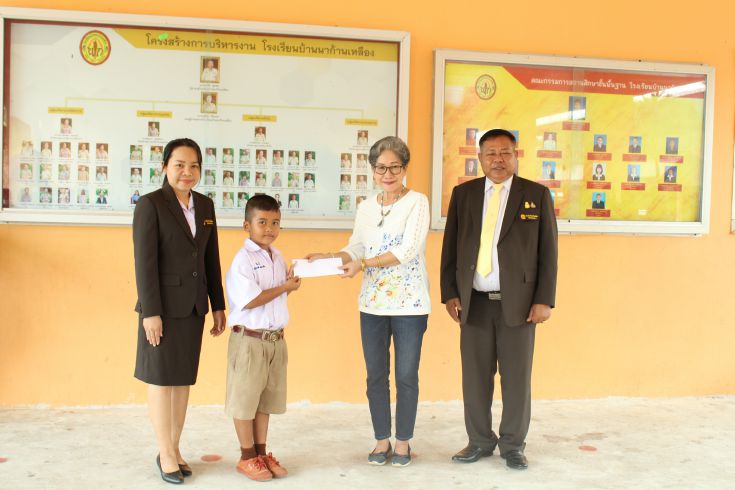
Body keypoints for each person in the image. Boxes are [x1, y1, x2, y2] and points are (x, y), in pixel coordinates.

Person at [306, 136, 431, 467]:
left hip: (410, 305)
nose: (388, 174)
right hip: (372, 305)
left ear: (405, 168)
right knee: (376, 376)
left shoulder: (417, 202)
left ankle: (403, 442)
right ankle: (381, 440)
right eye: (381, 168)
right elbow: (357, 246)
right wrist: (330, 257)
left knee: (406, 375)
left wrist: (363, 264)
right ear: (372, 170)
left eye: (395, 167)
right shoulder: (365, 207)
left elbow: (408, 250)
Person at [440, 128, 557, 471]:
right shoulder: (464, 195)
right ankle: (479, 440)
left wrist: (544, 299)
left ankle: (513, 445)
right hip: (473, 303)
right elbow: (450, 248)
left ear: (515, 156)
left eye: (505, 153)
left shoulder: (535, 195)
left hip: (520, 305)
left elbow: (548, 253)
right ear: (480, 158)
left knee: (516, 379)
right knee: (475, 378)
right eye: (491, 153)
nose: (498, 160)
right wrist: (450, 292)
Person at [132, 138, 226, 484]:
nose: (187, 172)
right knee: (161, 380)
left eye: (194, 166)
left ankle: (173, 447)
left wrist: (218, 304)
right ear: (164, 167)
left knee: (182, 380)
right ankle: (166, 452)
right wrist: (150, 312)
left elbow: (210, 258)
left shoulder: (205, 205)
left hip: (194, 307)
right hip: (162, 309)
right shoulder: (150, 204)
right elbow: (144, 263)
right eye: (180, 165)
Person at [224, 194, 301, 482]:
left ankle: (261, 452)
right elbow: (252, 299)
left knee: (264, 401)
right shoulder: (243, 260)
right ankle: (246, 457)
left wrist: (289, 283)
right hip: (250, 341)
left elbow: (278, 294)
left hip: (274, 340)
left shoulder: (277, 257)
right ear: (247, 225)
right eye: (262, 222)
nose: (269, 228)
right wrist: (285, 287)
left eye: (275, 222)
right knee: (244, 400)